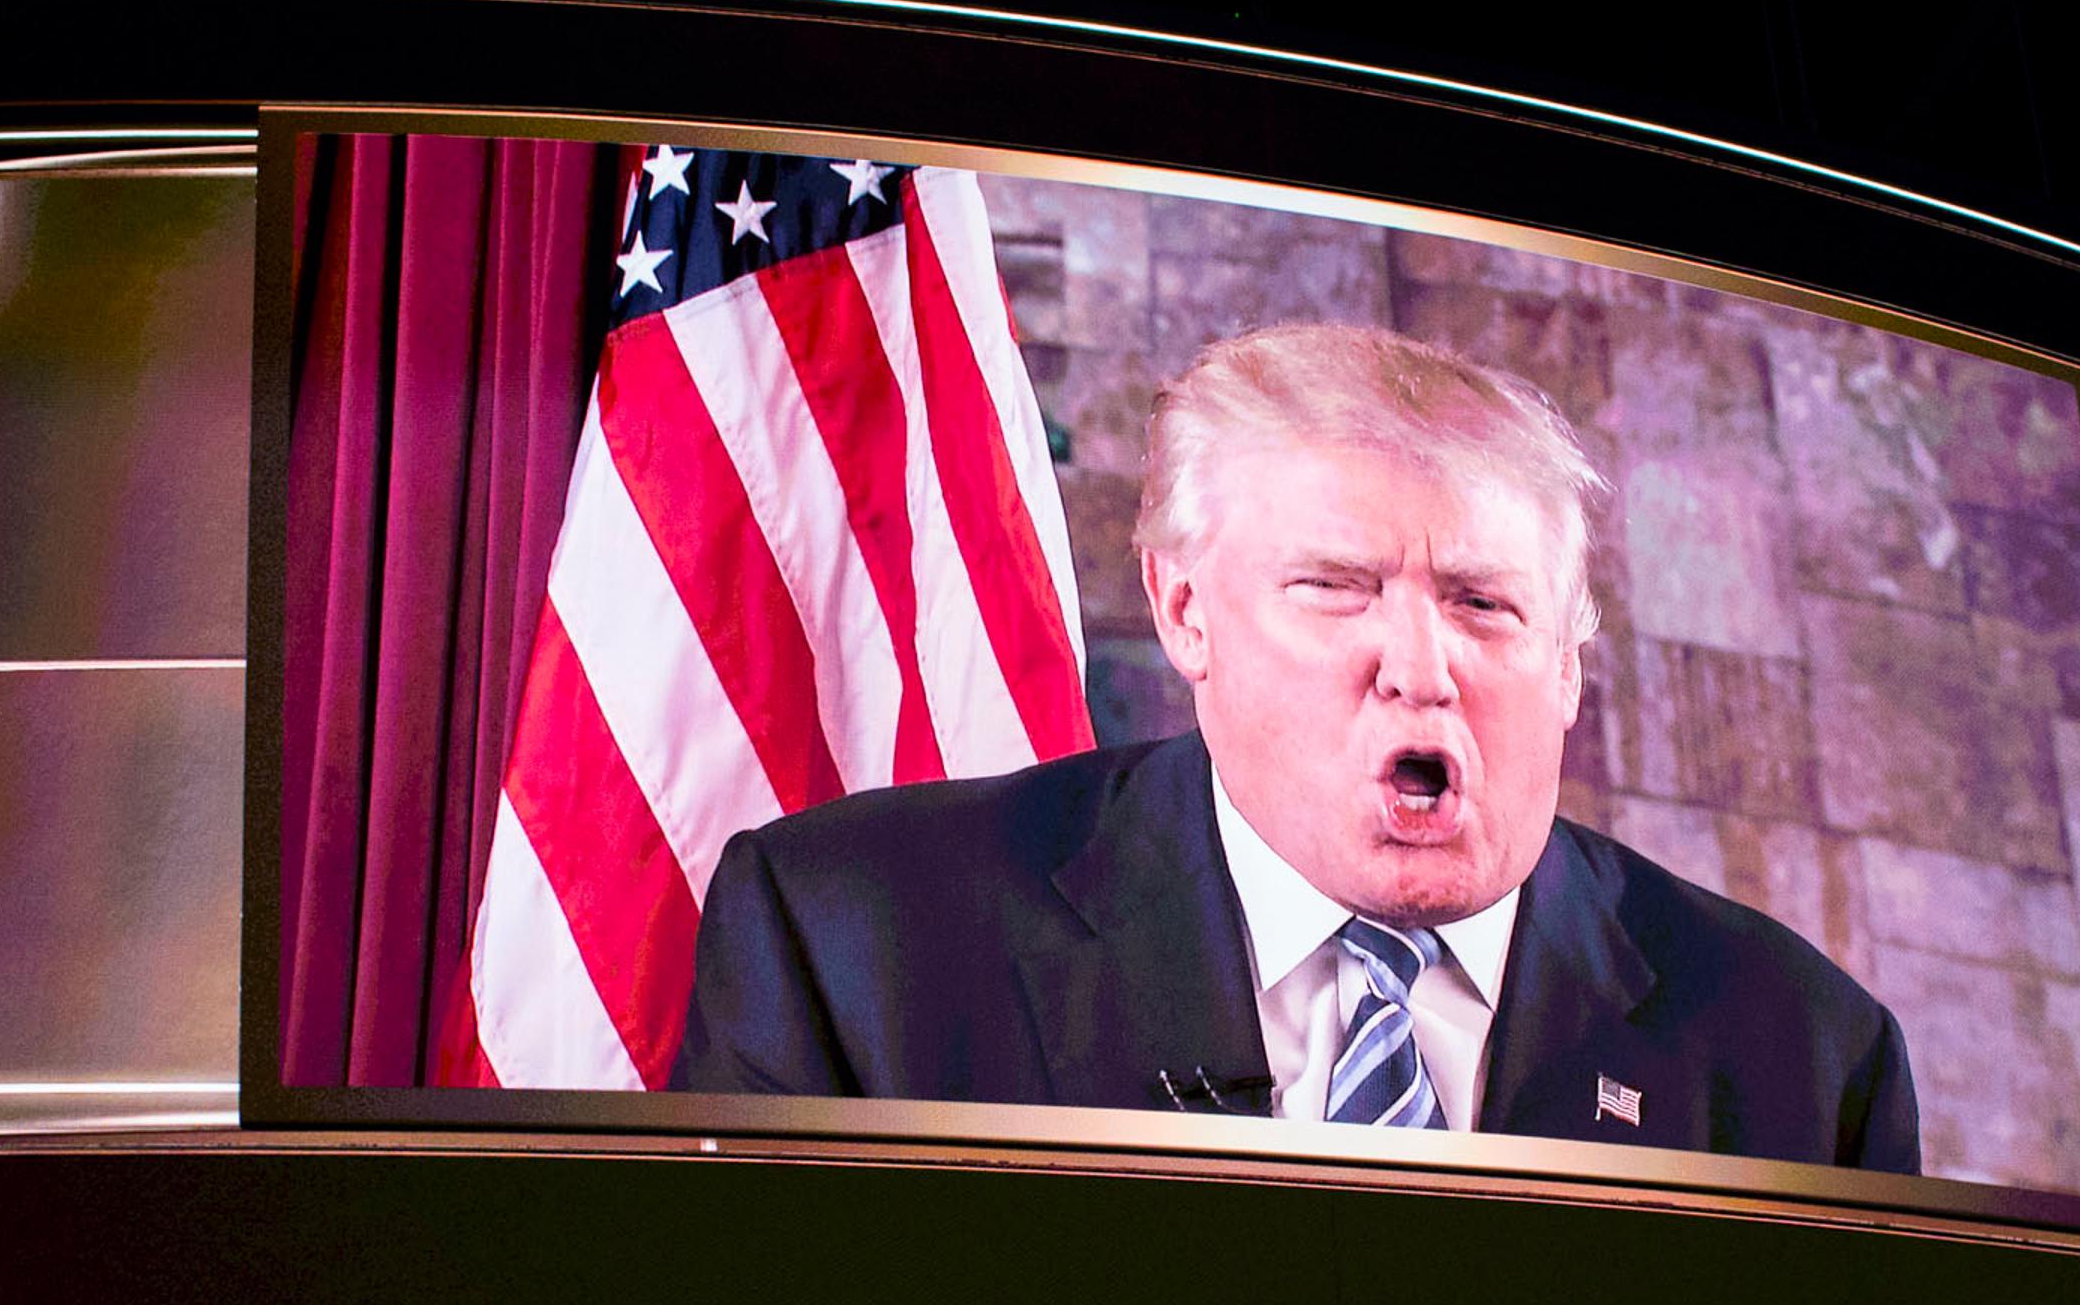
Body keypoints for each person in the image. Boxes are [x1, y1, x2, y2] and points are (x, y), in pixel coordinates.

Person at [667, 323, 1919, 1174]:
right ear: (1185, 612)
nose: (1421, 668)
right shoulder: (848, 940)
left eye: (1485, 605)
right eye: (1336, 587)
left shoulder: (1807, 1062)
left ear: (1571, 667)